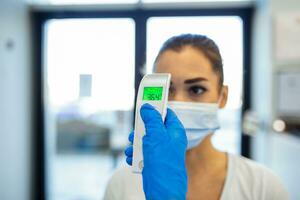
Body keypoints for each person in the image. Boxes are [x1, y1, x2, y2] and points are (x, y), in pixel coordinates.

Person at [104, 34, 288, 200]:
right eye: (167, 90)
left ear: (222, 96)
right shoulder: (121, 184)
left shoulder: (263, 186)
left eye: (196, 89)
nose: (177, 102)